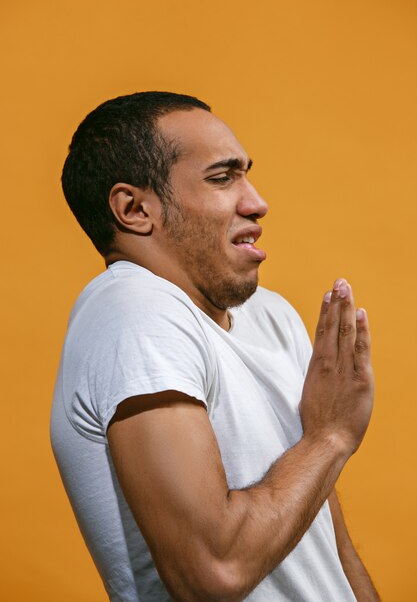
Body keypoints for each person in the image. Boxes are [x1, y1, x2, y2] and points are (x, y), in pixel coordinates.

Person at [50, 91, 379, 602]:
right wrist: (330, 437)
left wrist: (323, 445)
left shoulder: (272, 316)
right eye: (222, 177)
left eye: (246, 173)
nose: (256, 201)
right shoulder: (133, 309)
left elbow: (328, 549)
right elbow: (212, 573)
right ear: (135, 209)